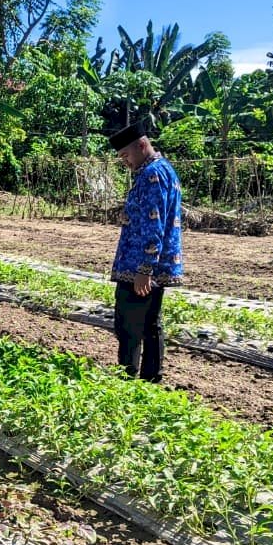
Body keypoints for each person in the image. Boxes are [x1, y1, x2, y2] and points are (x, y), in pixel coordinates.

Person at [107, 119, 185, 384]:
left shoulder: (153, 175)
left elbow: (154, 224)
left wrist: (144, 270)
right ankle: (151, 381)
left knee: (129, 326)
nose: (125, 162)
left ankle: (127, 380)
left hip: (140, 268)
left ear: (142, 145)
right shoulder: (162, 171)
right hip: (147, 266)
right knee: (150, 324)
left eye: (126, 155)